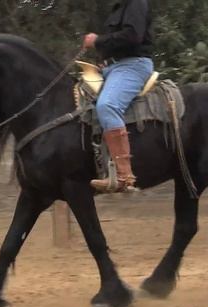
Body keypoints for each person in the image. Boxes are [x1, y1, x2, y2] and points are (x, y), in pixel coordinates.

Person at [82, 0, 154, 193]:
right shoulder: (119, 7)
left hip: (133, 66)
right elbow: (118, 43)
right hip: (114, 68)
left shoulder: (136, 3)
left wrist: (97, 40)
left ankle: (124, 176)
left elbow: (133, 36)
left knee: (107, 105)